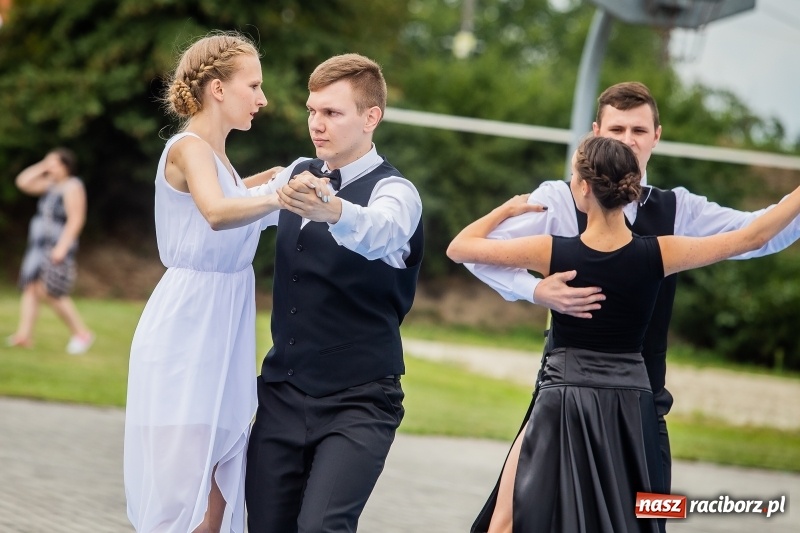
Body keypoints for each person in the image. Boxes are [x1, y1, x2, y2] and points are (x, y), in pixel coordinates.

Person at [464, 81, 800, 498]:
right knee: (522, 514)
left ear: (656, 137)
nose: (628, 140)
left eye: (639, 131)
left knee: (652, 514)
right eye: (617, 129)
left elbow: (757, 234)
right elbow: (475, 252)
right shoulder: (557, 199)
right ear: (595, 134)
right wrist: (535, 291)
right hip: (566, 396)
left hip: (644, 401)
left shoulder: (678, 210)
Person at [244, 53, 424, 533]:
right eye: (311, 111)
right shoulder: (298, 172)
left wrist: (333, 211)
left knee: (322, 526)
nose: (316, 124)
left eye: (331, 113)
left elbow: (382, 232)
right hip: (283, 390)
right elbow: (233, 212)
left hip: (360, 397)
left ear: (371, 118)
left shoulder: (397, 192)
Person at [123, 31, 284, 533]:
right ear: (218, 88)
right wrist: (280, 195)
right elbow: (215, 213)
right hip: (189, 325)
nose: (262, 99)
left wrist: (267, 180)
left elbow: (228, 196)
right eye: (253, 85)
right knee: (189, 487)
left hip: (223, 324)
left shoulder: (221, 159)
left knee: (216, 484)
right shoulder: (188, 147)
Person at [7, 148, 95, 354]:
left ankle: (81, 333)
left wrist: (62, 248)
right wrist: (43, 166)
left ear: (66, 166)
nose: (49, 167)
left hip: (56, 246)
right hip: (39, 245)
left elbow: (76, 219)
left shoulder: (72, 186)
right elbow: (23, 182)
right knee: (31, 287)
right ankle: (24, 335)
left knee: (50, 291)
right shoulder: (51, 186)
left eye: (54, 163)